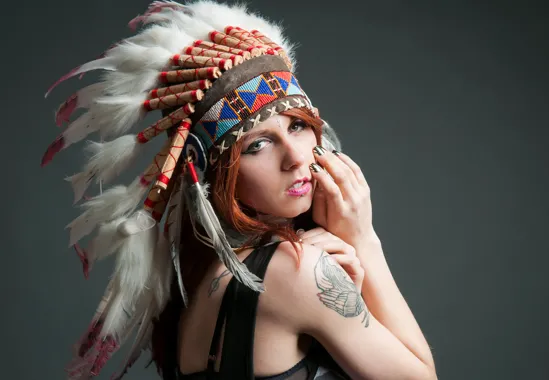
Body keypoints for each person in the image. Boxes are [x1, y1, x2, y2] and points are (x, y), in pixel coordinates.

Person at [42, 1, 437, 379]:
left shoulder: (201, 279)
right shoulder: (297, 271)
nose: (295, 158)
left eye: (297, 126)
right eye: (257, 145)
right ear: (214, 172)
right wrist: (365, 240)